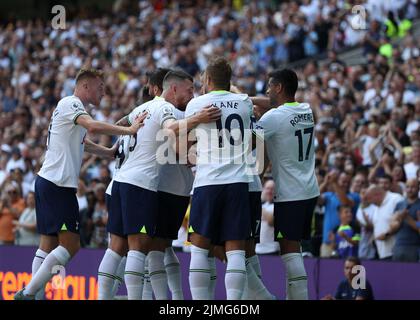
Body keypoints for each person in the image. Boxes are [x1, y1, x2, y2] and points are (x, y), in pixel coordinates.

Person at [14, 68, 145, 300]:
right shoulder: (71, 104)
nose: (103, 91)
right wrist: (130, 129)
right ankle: (29, 292)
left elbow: (86, 143)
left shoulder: (69, 110)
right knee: (72, 245)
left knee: (47, 244)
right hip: (57, 185)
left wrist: (110, 152)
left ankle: (33, 295)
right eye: (100, 86)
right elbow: (92, 127)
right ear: (86, 86)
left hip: (47, 182)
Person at [111, 69, 220, 300]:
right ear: (168, 89)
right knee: (153, 248)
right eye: (189, 90)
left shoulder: (145, 111)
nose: (192, 94)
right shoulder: (175, 112)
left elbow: (121, 123)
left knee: (153, 248)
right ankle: (167, 299)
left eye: (194, 90)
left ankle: (164, 298)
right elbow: (181, 152)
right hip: (161, 186)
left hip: (160, 186)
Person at [185, 57, 253, 300]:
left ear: (208, 80)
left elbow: (185, 141)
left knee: (199, 249)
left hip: (207, 182)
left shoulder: (197, 105)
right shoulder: (244, 103)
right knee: (236, 251)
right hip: (237, 183)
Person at [256, 68, 320, 300]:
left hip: (291, 193)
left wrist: (250, 111)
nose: (267, 90)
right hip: (309, 190)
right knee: (295, 250)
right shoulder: (305, 109)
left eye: (270, 86)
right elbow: (275, 107)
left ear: (279, 88)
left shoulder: (272, 118)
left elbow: (249, 140)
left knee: (290, 253)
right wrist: (249, 99)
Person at [392, 179, 420, 262]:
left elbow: (419, 227)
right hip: (398, 246)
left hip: (414, 247)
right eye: (407, 187)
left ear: (418, 188)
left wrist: (407, 218)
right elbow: (392, 225)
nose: (410, 189)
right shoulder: (399, 204)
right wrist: (398, 219)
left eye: (413, 187)